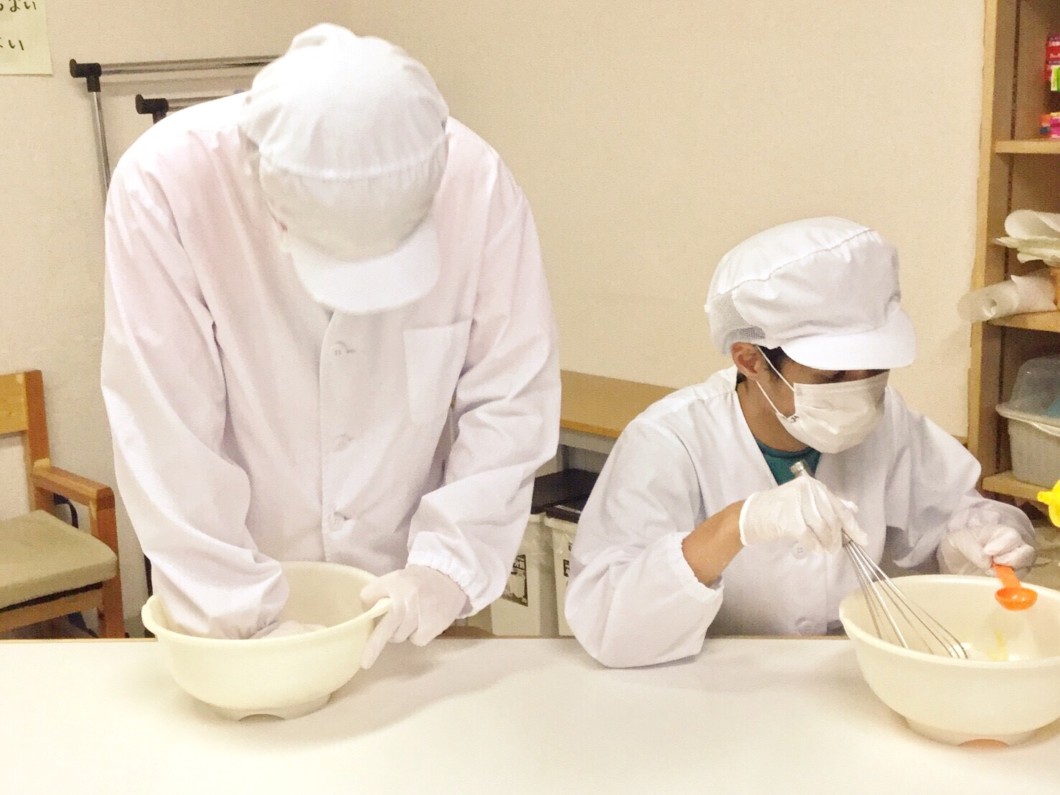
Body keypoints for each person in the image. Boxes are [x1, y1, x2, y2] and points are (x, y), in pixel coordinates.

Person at [101, 24, 560, 667]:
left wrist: (446, 568)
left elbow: (510, 397)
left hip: (410, 603)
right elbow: (165, 431)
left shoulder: (476, 184)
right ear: (269, 195)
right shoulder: (167, 184)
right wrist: (241, 620)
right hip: (228, 607)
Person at [565, 216, 1036, 668]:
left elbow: (956, 513)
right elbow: (611, 628)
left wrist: (974, 541)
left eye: (874, 369)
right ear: (751, 360)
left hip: (847, 678)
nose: (859, 391)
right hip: (714, 690)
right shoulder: (670, 441)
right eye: (831, 375)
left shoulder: (889, 420)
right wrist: (736, 525)